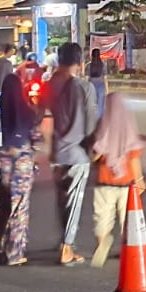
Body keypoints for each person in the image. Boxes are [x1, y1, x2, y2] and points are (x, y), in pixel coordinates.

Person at [45, 42, 98, 265]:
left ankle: (64, 241)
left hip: (57, 153)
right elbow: (90, 126)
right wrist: (94, 150)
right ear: (79, 61)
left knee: (61, 201)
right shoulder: (84, 87)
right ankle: (67, 249)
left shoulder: (49, 85)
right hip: (77, 154)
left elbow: (42, 116)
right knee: (74, 202)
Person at [89, 93, 146, 268]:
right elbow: (134, 157)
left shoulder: (103, 125)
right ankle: (127, 248)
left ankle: (102, 243)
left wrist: (99, 153)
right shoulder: (129, 126)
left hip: (104, 180)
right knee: (127, 218)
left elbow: (95, 153)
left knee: (102, 215)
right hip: (127, 182)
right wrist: (139, 179)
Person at [0, 70, 41, 266]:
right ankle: (14, 252)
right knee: (19, 209)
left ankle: (3, 246)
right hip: (22, 166)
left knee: (4, 206)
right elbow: (36, 140)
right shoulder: (27, 110)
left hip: (2, 165)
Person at [87, 47, 108, 117]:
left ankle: (92, 118)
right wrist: (107, 90)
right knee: (100, 104)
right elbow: (105, 78)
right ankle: (99, 120)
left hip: (91, 86)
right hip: (101, 86)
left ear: (92, 55)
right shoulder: (103, 65)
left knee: (91, 103)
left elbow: (87, 78)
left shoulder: (89, 65)